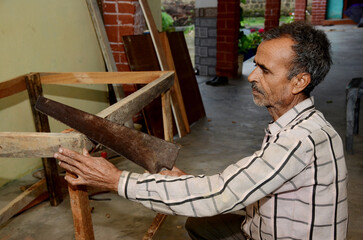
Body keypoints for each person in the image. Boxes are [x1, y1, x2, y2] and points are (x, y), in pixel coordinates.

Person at [54, 22, 348, 240]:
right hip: (262, 228)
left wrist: (116, 179)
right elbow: (247, 183)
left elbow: (219, 194)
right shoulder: (299, 123)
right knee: (200, 223)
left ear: (299, 82)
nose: (252, 77)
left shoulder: (299, 139)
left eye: (265, 70)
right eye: (254, 65)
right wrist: (188, 182)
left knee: (206, 207)